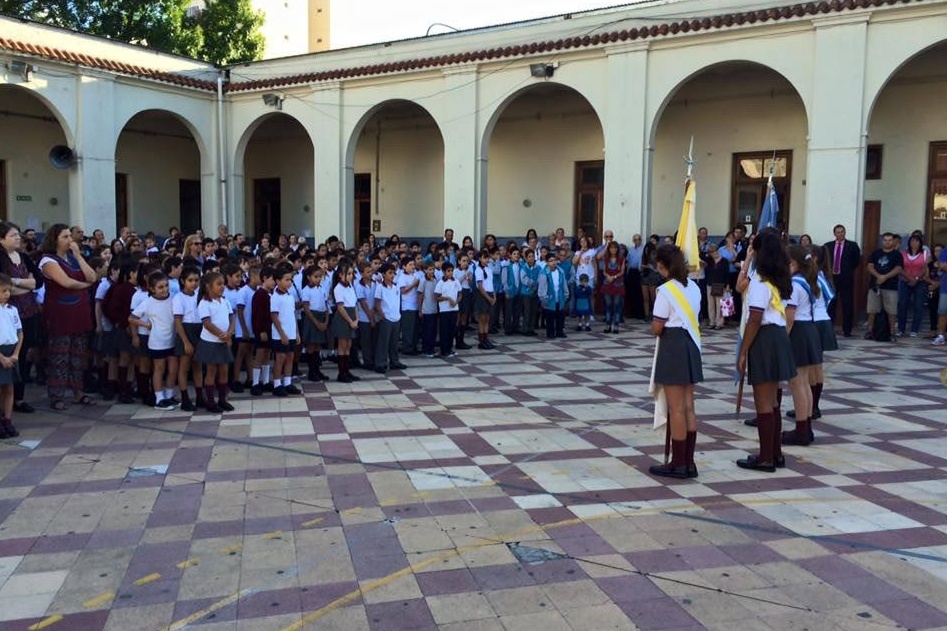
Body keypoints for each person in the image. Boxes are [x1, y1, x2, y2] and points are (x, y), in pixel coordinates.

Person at [736, 230, 795, 473]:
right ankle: (775, 453)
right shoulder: (778, 280)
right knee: (773, 402)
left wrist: (743, 351)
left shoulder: (760, 282)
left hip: (765, 339)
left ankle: (766, 458)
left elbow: (755, 319)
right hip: (778, 337)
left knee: (763, 402)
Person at [647, 245, 702, 479]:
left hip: (673, 344)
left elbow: (657, 326)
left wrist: (654, 328)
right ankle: (688, 462)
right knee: (689, 406)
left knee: (676, 408)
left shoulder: (666, 290)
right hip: (691, 343)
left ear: (664, 266)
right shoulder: (695, 288)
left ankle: (678, 463)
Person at [39, 223, 97, 410]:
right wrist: (86, 286)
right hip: (60, 313)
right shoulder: (48, 260)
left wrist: (79, 256)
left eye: (69, 237)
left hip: (79, 311)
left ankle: (78, 391)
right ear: (54, 240)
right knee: (60, 355)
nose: (69, 240)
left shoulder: (73, 258)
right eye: (65, 237)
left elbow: (92, 276)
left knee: (78, 355)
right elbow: (66, 282)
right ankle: (57, 394)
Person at [782, 245, 823, 446]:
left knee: (796, 383)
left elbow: (789, 317)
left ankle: (801, 429)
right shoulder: (806, 281)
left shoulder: (794, 285)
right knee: (804, 382)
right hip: (808, 330)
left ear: (793, 263)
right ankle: (805, 427)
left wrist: (782, 340)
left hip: (798, 331)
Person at [0, 222, 42, 414]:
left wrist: (17, 282)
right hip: (8, 311)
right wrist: (25, 284)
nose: (18, 238)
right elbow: (5, 288)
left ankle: (19, 398)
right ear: (2, 239)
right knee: (8, 353)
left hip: (29, 310)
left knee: (24, 355)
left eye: (18, 234)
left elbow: (38, 281)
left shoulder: (24, 257)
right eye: (13, 235)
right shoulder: (1, 258)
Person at [129, 271, 178, 410]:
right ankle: (159, 398)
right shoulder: (148, 302)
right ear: (152, 288)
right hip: (157, 341)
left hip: (172, 339)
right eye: (160, 287)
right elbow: (131, 318)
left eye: (166, 286)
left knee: (173, 369)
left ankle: (169, 395)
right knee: (159, 369)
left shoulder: (174, 298)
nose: (165, 290)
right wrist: (146, 325)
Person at [194, 271, 235, 413]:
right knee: (211, 371)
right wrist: (221, 335)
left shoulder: (225, 301)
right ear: (208, 286)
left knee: (224, 370)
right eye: (219, 284)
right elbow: (207, 323)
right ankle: (210, 402)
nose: (222, 287)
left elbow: (232, 318)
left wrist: (229, 333)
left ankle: (222, 400)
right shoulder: (204, 303)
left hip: (223, 341)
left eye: (223, 284)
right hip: (210, 342)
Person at [172, 266, 203, 410]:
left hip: (199, 330)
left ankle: (200, 396)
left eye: (196, 280)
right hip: (186, 331)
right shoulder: (179, 298)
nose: (194, 283)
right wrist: (185, 341)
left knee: (198, 367)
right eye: (190, 280)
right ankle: (185, 398)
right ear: (183, 281)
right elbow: (177, 321)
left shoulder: (200, 296)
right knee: (184, 368)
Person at [823, 224, 861, 337]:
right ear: (834, 234)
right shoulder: (827, 246)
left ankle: (847, 330)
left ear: (845, 232)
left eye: (842, 231)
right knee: (831, 303)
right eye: (838, 232)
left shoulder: (852, 245)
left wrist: (847, 271)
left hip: (846, 278)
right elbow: (824, 260)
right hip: (832, 279)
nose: (840, 234)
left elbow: (856, 261)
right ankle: (829, 328)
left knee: (847, 303)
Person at [865, 232, 903, 341]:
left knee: (892, 311)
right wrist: (878, 276)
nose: (887, 242)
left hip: (891, 287)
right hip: (875, 286)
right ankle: (870, 332)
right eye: (885, 240)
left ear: (893, 241)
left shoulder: (897, 255)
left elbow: (898, 268)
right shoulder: (875, 253)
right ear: (882, 241)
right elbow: (870, 266)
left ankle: (892, 333)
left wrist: (885, 277)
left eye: (890, 240)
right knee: (872, 310)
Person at [270, 265, 302, 394]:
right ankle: (277, 384)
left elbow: (292, 315)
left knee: (290, 357)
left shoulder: (289, 295)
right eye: (286, 279)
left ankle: (288, 382)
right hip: (280, 334)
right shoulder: (275, 297)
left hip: (291, 332)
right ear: (278, 281)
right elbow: (274, 317)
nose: (289, 282)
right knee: (280, 358)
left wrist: (296, 333)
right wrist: (282, 334)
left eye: (290, 279)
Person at [0, 274, 23, 438]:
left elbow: (20, 333)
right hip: (0, 353)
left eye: (8, 290)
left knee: (9, 388)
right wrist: (1, 357)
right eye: (3, 291)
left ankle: (8, 420)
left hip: (11, 351)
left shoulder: (12, 310)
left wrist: (15, 354)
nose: (7, 294)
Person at [330, 261, 360, 383]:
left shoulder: (351, 286)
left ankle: (347, 371)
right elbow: (340, 307)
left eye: (352, 274)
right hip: (344, 318)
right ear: (340, 275)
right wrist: (350, 321)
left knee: (349, 346)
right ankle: (341, 373)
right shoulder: (338, 288)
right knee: (342, 346)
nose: (351, 276)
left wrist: (356, 319)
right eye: (348, 274)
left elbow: (354, 304)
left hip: (352, 316)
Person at [374, 263, 405, 374]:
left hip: (396, 317)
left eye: (393, 273)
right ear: (383, 274)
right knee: (383, 342)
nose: (392, 275)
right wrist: (381, 314)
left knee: (394, 342)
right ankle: (380, 363)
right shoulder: (380, 287)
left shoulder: (396, 286)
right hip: (386, 318)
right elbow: (377, 303)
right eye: (390, 273)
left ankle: (394, 361)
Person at [301, 265, 330, 381]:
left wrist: (326, 321)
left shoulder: (322, 289)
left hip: (322, 316)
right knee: (311, 345)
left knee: (318, 345)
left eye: (320, 277)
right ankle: (312, 371)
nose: (318, 279)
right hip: (312, 318)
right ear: (308, 277)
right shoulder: (306, 290)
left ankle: (317, 370)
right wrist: (317, 323)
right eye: (315, 277)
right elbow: (307, 309)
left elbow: (326, 305)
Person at [250, 267, 276, 394]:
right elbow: (257, 315)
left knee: (267, 355)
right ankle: (255, 383)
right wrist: (261, 331)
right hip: (262, 330)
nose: (274, 282)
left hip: (269, 329)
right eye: (272, 279)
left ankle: (265, 381)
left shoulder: (269, 294)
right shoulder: (259, 295)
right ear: (264, 278)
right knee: (259, 355)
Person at [897, 234, 929, 338]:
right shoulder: (903, 254)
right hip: (905, 282)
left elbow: (925, 268)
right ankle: (901, 329)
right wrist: (909, 278)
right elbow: (900, 268)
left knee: (918, 306)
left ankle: (914, 329)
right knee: (902, 305)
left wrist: (916, 279)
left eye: (916, 241)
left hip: (919, 283)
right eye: (912, 241)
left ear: (920, 243)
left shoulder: (924, 254)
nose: (914, 243)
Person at [537, 252, 569, 339]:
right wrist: (543, 298)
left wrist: (566, 294)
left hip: (560, 296)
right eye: (551, 261)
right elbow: (542, 287)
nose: (553, 262)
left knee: (560, 315)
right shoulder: (544, 273)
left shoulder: (560, 271)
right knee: (550, 317)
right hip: (549, 298)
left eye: (554, 260)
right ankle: (550, 333)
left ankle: (559, 331)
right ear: (547, 262)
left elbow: (564, 284)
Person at [435, 263, 461, 358]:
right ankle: (444, 350)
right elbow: (437, 297)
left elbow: (460, 294)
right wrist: (447, 298)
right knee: (444, 331)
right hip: (444, 310)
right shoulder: (441, 283)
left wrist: (456, 302)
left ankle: (450, 349)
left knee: (452, 329)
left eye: (451, 271)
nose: (450, 273)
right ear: (443, 272)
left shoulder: (456, 281)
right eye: (448, 271)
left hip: (454, 309)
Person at [600, 239, 626, 333]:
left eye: (615, 248)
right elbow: (604, 271)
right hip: (607, 284)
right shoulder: (606, 258)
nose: (613, 250)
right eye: (611, 248)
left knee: (617, 305)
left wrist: (614, 277)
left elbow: (622, 271)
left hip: (618, 284)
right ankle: (608, 324)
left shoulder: (621, 259)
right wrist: (608, 276)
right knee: (608, 305)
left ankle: (616, 325)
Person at [473, 249, 497, 350]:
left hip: (490, 294)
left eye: (487, 258)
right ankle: (481, 340)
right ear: (479, 258)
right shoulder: (478, 270)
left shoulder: (489, 269)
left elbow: (491, 283)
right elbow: (480, 286)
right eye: (484, 258)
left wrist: (494, 296)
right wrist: (488, 297)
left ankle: (486, 339)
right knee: (482, 319)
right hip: (483, 295)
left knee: (487, 318)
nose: (486, 260)